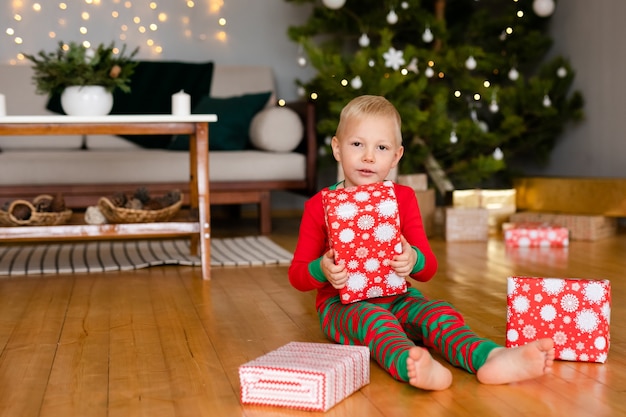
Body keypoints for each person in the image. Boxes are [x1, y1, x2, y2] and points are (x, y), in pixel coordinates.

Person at [288, 95, 555, 390]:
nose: (368, 156)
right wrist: (321, 269)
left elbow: (427, 269)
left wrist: (413, 258)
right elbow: (298, 275)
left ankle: (491, 356)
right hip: (341, 307)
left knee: (438, 313)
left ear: (396, 156)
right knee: (375, 321)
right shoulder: (320, 205)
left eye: (381, 147)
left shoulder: (403, 198)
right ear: (337, 148)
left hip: (400, 297)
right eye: (356, 144)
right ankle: (411, 364)